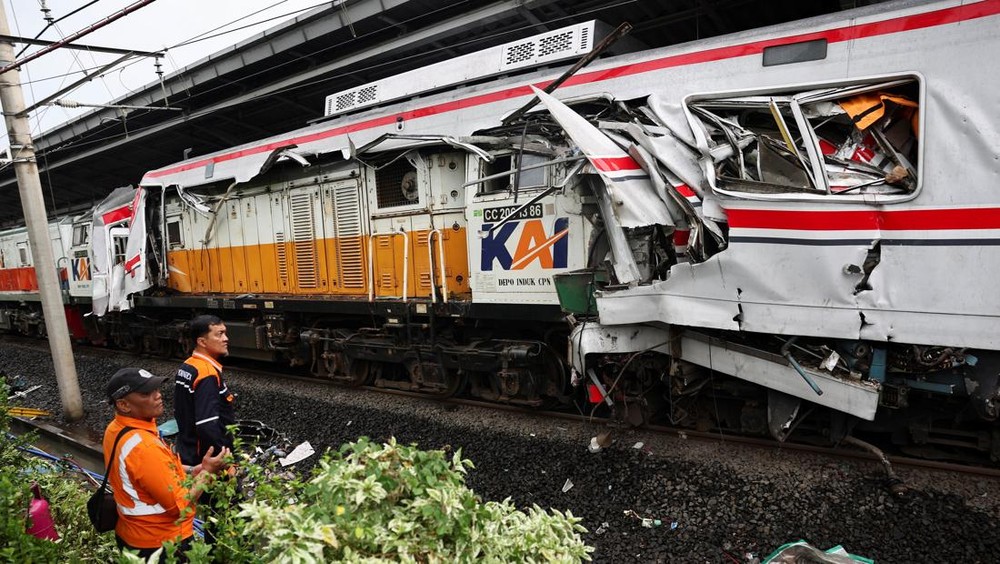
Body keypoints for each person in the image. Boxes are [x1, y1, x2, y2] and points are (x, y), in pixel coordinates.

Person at [104, 367, 229, 560]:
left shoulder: (116, 428)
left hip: (133, 536)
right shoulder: (144, 447)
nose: (158, 395)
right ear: (123, 404)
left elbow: (150, 474)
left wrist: (191, 469)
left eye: (156, 389)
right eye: (146, 393)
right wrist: (208, 472)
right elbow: (180, 507)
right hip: (160, 544)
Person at [174, 314, 236, 467]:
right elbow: (207, 425)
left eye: (225, 333)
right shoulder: (207, 374)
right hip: (203, 461)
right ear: (202, 342)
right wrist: (222, 462)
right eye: (219, 334)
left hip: (187, 449)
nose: (226, 338)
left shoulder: (187, 366)